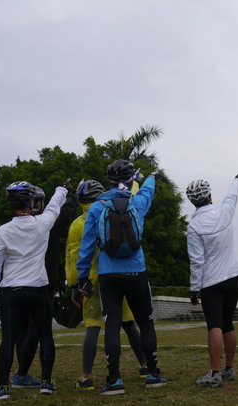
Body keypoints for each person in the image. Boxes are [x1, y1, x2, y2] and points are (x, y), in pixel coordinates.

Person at [76, 159, 167, 396]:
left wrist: (82, 277)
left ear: (108, 181)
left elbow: (86, 247)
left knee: (113, 327)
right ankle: (153, 373)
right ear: (130, 180)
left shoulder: (97, 207)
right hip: (137, 270)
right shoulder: (137, 202)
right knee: (145, 323)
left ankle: (114, 380)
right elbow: (147, 190)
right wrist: (152, 177)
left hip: (108, 274)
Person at [0, 180, 68, 400]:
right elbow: (55, 206)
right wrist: (62, 189)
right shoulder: (42, 224)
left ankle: (2, 387)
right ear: (31, 201)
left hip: (12, 291)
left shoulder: (3, 231)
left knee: (8, 340)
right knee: (45, 337)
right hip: (38, 289)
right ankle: (47, 382)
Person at [65, 179, 147, 391]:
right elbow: (131, 193)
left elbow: (75, 256)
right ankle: (145, 365)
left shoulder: (77, 224)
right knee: (128, 323)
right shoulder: (111, 210)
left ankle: (86, 376)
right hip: (117, 275)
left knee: (93, 326)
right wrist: (135, 181)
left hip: (91, 281)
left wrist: (75, 284)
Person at [12, 184, 78, 389]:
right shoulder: (50, 224)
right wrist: (71, 193)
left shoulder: (14, 226)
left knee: (21, 331)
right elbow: (66, 211)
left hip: (17, 283)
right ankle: (23, 374)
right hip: (43, 282)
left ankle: (20, 373)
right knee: (38, 331)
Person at [186, 173, 238, 388]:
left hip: (212, 282)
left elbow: (197, 262)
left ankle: (214, 373)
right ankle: (229, 368)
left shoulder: (194, 228)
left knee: (214, 325)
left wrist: (194, 290)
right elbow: (232, 196)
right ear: (210, 195)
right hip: (234, 276)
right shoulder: (224, 212)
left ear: (192, 201)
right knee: (228, 323)